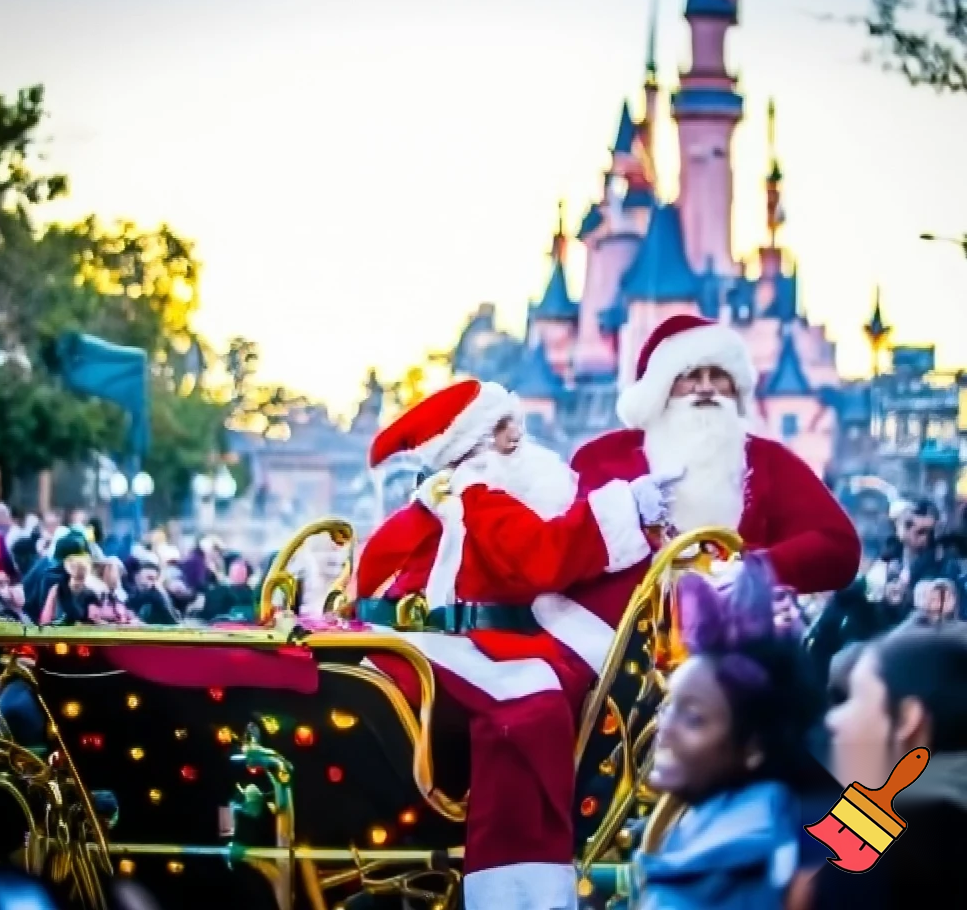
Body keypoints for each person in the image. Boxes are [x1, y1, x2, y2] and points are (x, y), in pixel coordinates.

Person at [353, 377, 667, 909]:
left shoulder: (461, 497)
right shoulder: (479, 494)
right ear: (472, 448)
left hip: (434, 641)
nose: (517, 434)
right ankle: (516, 891)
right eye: (501, 428)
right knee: (528, 710)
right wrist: (628, 508)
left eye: (514, 421)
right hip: (448, 646)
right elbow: (540, 556)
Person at [570, 314, 861, 597]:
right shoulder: (602, 458)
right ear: (660, 389)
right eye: (691, 376)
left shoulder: (767, 460)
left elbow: (838, 546)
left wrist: (757, 571)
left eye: (719, 376)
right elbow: (573, 551)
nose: (707, 388)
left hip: (738, 637)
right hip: (626, 636)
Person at [630, 553, 824, 909]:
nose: (664, 726)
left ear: (754, 747)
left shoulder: (737, 866)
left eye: (693, 718)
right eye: (669, 705)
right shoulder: (733, 829)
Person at [803, 625, 967, 908]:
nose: (833, 720)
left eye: (855, 697)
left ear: (907, 720)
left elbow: (804, 893)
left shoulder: (895, 843)